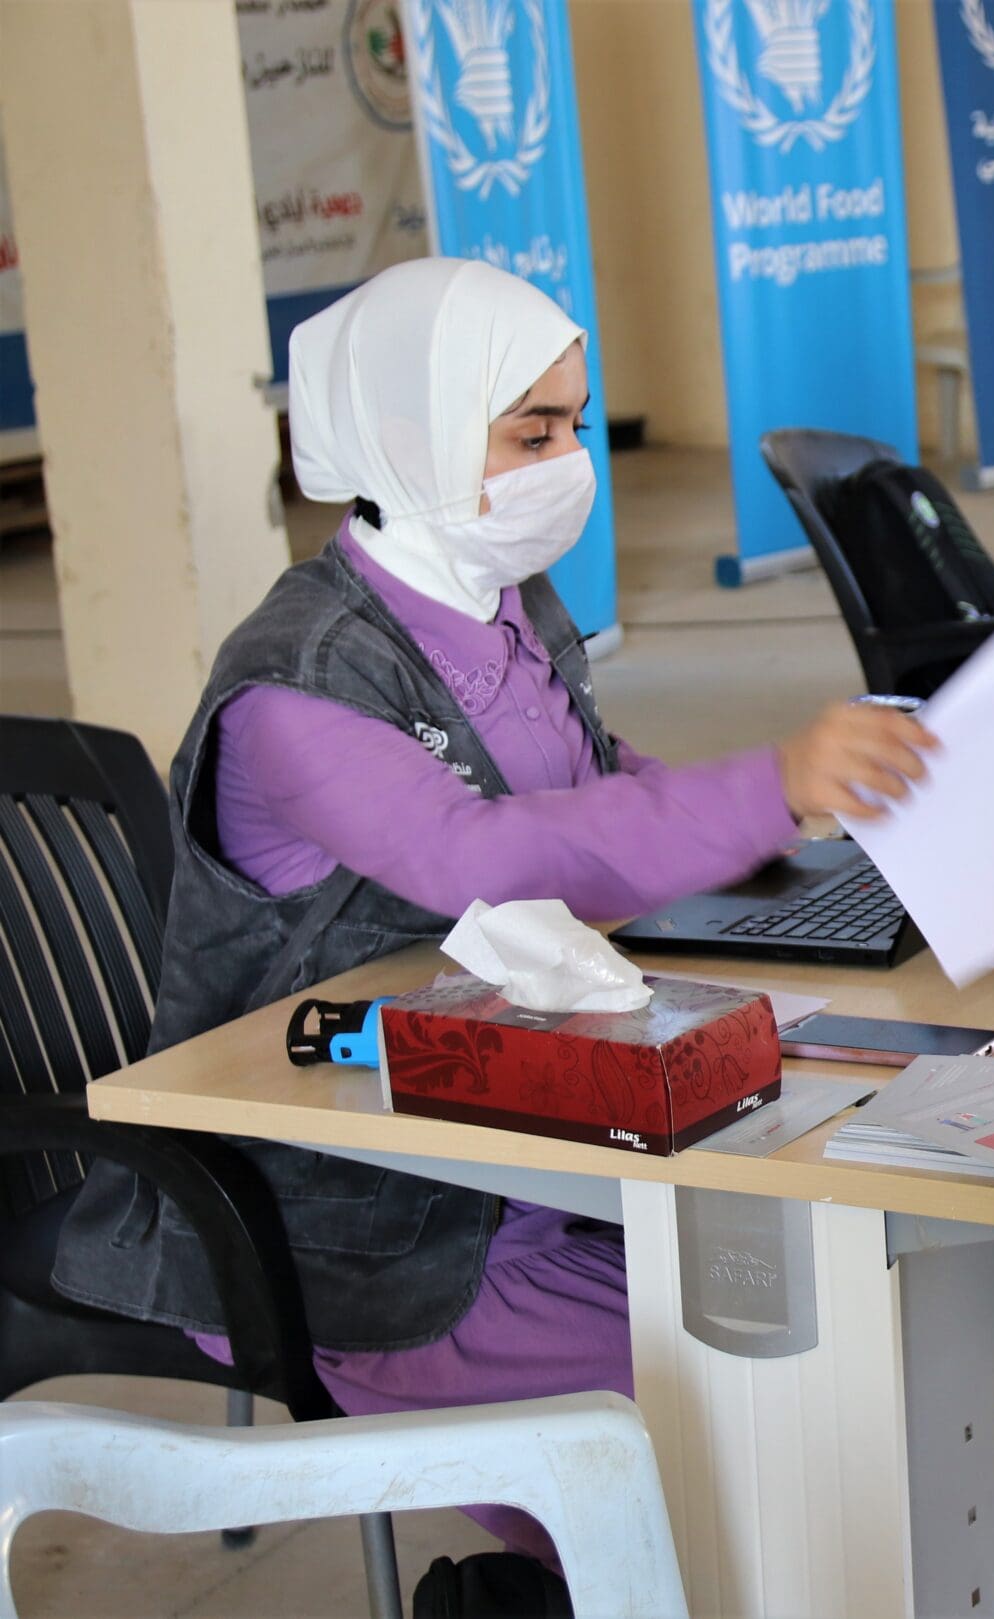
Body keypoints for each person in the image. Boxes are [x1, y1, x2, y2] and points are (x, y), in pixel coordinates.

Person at [50, 260, 936, 1588]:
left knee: (824, 1335)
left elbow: (601, 783)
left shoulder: (503, 605)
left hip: (529, 1136)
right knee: (753, 1419)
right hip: (374, 1217)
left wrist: (809, 822)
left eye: (575, 424)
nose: (566, 462)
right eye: (532, 430)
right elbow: (490, 856)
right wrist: (766, 783)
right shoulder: (299, 685)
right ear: (408, 430)